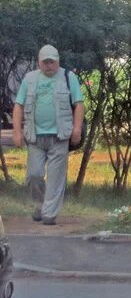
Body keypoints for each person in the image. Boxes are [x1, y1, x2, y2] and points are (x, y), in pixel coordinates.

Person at [13, 45, 84, 226]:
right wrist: (17, 131)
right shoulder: (29, 79)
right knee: (34, 175)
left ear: (58, 61)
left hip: (59, 137)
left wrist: (76, 129)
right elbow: (18, 106)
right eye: (45, 62)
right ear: (39, 62)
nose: (49, 65)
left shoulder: (69, 77)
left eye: (52, 61)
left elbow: (78, 104)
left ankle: (49, 214)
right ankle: (39, 205)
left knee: (55, 177)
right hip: (35, 137)